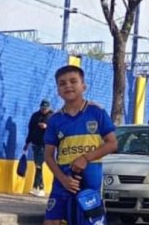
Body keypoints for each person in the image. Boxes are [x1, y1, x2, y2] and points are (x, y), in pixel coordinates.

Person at [43, 65, 118, 225]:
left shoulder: (96, 112)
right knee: (51, 221)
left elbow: (112, 144)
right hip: (63, 182)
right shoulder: (55, 120)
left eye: (73, 81)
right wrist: (63, 179)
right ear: (58, 90)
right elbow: (48, 156)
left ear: (83, 86)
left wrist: (85, 158)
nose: (68, 86)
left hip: (91, 182)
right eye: (62, 83)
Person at [26, 100, 54, 197]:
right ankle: (39, 187)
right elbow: (30, 129)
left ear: (49, 108)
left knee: (39, 165)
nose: (43, 110)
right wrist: (27, 142)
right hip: (35, 143)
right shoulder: (35, 116)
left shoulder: (52, 117)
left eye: (45, 109)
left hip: (45, 145)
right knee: (38, 165)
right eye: (42, 108)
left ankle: (37, 187)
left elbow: (55, 129)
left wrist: (46, 127)